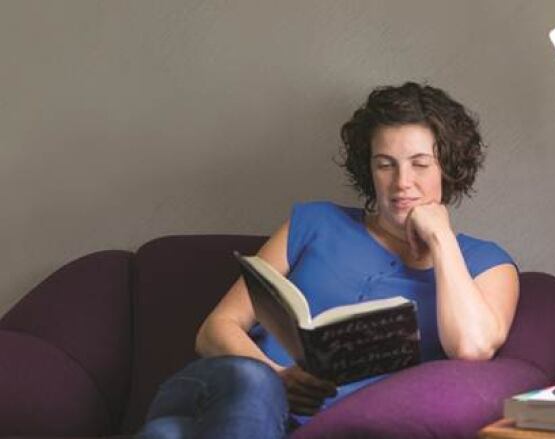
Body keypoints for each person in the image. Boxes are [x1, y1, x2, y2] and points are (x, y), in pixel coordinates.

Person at [137, 82, 520, 439]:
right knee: (251, 384)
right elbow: (215, 329)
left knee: (168, 433)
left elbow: (472, 347)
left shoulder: (486, 263)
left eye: (420, 164)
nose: (402, 182)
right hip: (225, 385)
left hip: (269, 427)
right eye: (385, 164)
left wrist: (441, 237)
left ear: (448, 168)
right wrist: (276, 380)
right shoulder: (315, 221)